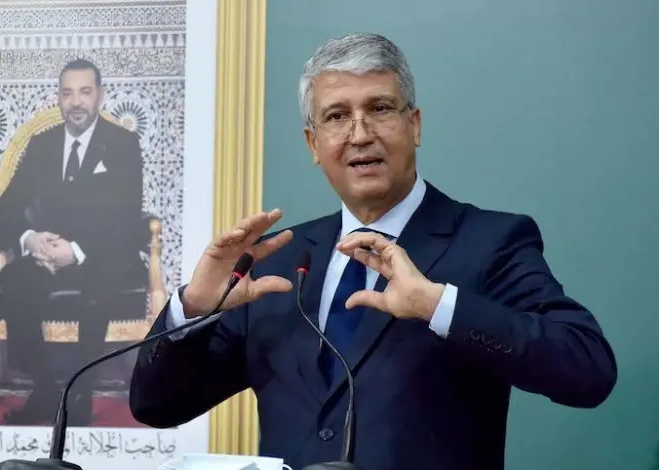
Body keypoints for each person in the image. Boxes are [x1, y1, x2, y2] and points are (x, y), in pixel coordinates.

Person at [128, 33, 617, 469]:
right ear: (313, 144)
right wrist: (193, 307)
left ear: (415, 125)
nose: (360, 134)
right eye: (337, 116)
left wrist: (437, 306)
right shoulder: (278, 262)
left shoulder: (489, 242)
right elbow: (157, 406)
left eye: (380, 109)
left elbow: (588, 369)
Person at [0, 58, 145, 426]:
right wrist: (31, 240)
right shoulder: (42, 145)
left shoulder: (123, 145)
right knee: (14, 279)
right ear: (59, 98)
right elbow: (7, 206)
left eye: (84, 92)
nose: (76, 102)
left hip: (102, 257)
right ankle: (45, 389)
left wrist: (76, 252)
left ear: (100, 96)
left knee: (100, 282)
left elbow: (126, 217)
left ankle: (80, 394)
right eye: (67, 93)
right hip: (47, 257)